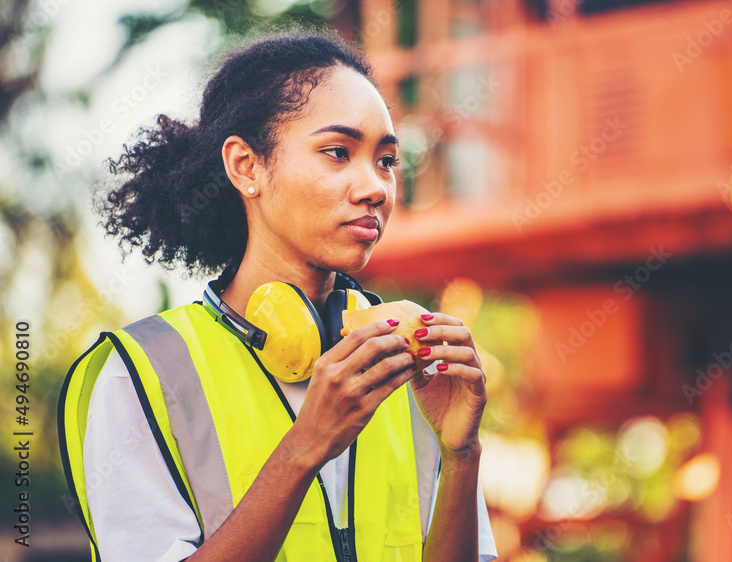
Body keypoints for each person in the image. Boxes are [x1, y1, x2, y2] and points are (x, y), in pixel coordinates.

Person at [58, 28, 497, 562]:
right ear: (247, 166)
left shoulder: (416, 366)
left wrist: (462, 454)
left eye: (386, 160)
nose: (376, 188)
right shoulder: (140, 373)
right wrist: (304, 448)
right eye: (337, 152)